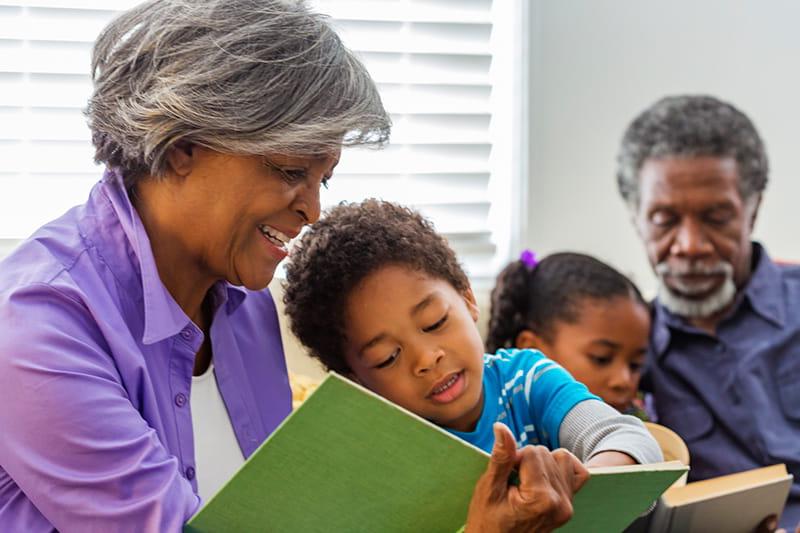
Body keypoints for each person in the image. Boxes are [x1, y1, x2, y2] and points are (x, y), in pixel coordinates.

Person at [0, 1, 604, 531]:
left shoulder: (245, 307)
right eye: (291, 172)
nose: (313, 210)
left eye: (324, 179)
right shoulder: (38, 327)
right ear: (182, 146)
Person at [282, 200, 662, 483]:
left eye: (434, 322)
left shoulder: (526, 381)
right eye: (387, 357)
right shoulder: (380, 449)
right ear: (356, 379)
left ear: (467, 299)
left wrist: (577, 482)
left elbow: (631, 440)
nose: (427, 359)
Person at [616, 94, 800, 529]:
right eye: (664, 220)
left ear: (752, 211)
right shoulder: (624, 353)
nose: (691, 245)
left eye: (716, 217)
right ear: (636, 218)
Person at [486, 251, 650, 418]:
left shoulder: (639, 429)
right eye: (601, 358)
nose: (624, 381)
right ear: (531, 351)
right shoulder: (495, 431)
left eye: (635, 365)